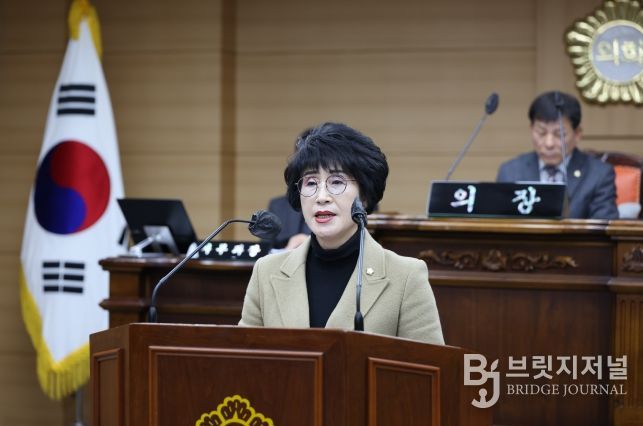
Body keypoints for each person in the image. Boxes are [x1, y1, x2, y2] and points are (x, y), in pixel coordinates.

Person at [239, 122, 444, 344]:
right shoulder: (266, 272)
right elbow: (245, 358)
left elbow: (428, 365)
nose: (321, 197)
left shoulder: (406, 277)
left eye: (336, 182)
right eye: (311, 183)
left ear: (364, 196)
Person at [496, 91, 618, 219]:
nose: (549, 144)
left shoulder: (599, 175)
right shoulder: (510, 172)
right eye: (541, 133)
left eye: (559, 134)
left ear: (577, 134)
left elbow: (604, 226)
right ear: (531, 129)